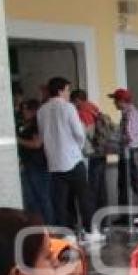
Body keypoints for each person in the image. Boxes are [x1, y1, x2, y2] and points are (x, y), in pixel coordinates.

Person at [37, 76, 101, 241]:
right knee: (84, 197)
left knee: (61, 202)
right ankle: (89, 232)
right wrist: (77, 147)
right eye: (67, 90)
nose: (68, 94)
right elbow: (79, 134)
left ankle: (67, 234)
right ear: (60, 91)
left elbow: (43, 135)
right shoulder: (68, 108)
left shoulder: (41, 111)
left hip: (54, 162)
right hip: (72, 160)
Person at [71, 89, 112, 214]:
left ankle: (94, 217)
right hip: (102, 151)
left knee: (92, 188)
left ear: (77, 100)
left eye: (73, 101)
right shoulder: (94, 108)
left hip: (91, 153)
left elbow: (83, 135)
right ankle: (104, 218)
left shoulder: (82, 112)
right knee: (102, 187)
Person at [17, 98, 54, 224]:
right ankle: (38, 225)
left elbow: (37, 144)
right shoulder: (25, 124)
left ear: (33, 110)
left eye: (25, 109)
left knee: (43, 198)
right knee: (30, 199)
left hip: (38, 165)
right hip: (28, 165)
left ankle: (50, 226)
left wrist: (17, 140)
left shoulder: (36, 124)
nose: (23, 112)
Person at [109, 87, 138, 218]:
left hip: (131, 153)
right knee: (124, 185)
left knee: (135, 185)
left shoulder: (130, 115)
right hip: (128, 153)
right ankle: (125, 217)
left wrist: (112, 140)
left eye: (115, 100)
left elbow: (130, 137)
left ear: (122, 101)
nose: (114, 104)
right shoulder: (128, 113)